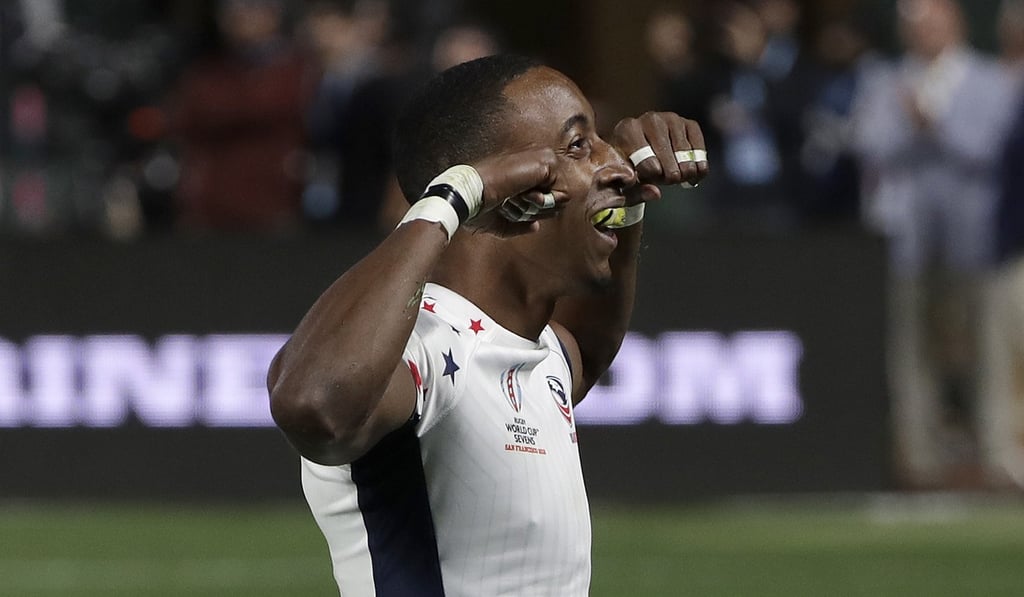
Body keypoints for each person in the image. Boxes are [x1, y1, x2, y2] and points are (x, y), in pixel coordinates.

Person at [266, 54, 707, 595]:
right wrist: (452, 198)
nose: (611, 164)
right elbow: (314, 407)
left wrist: (629, 199)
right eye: (577, 146)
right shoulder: (421, 345)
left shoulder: (539, 349)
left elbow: (588, 349)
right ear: (505, 187)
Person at [851, 0, 1019, 487]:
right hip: (907, 237)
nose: (921, 33)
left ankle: (994, 452)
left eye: (931, 23)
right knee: (909, 348)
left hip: (975, 236)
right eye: (914, 25)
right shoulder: (886, 79)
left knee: (986, 346)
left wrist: (933, 127)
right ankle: (919, 457)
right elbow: (870, 144)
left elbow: (992, 149)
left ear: (955, 25)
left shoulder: (991, 79)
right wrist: (914, 130)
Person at [171, 0, 312, 233]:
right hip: (210, 208)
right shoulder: (206, 72)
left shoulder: (299, 69)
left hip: (273, 205)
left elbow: (273, 105)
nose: (241, 18)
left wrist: (226, 108)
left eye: (252, 9)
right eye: (232, 11)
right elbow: (186, 117)